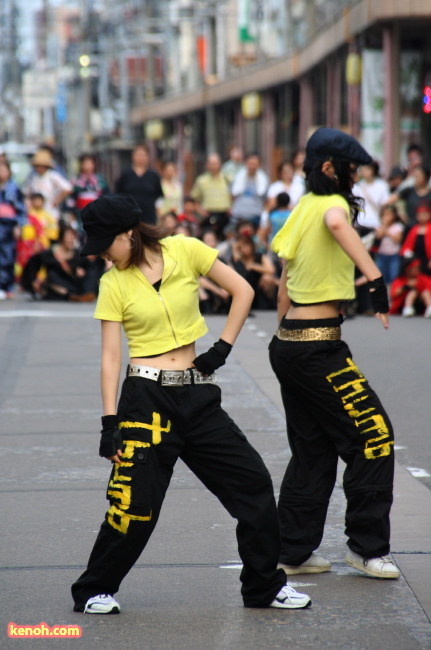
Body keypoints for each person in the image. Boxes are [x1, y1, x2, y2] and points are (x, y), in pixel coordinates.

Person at [71, 194, 311, 614]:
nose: (102, 254)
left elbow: (243, 290)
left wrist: (221, 349)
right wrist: (109, 423)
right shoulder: (112, 283)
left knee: (252, 481)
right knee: (134, 506)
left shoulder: (185, 250)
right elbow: (111, 357)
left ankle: (263, 587)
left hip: (197, 395)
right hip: (145, 403)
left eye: (106, 243)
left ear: (129, 233)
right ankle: (94, 589)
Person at [269, 127, 400, 580]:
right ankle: (366, 548)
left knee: (314, 450)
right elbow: (339, 224)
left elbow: (285, 279)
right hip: (317, 347)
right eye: (351, 169)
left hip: (291, 343)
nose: (355, 177)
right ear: (329, 168)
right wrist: (376, 281)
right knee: (375, 438)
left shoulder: (302, 206)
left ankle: (294, 549)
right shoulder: (330, 207)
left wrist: (277, 336)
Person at [21, 223, 97, 301]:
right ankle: (70, 296)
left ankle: (85, 293)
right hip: (56, 284)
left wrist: (79, 270)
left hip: (72, 282)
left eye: (73, 237)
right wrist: (33, 281)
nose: (71, 240)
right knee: (52, 276)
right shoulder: (51, 253)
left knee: (91, 273)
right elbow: (33, 263)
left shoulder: (76, 253)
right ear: (62, 237)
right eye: (68, 237)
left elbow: (89, 266)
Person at [115, 144, 163, 224]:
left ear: (147, 157)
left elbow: (159, 196)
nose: (140, 157)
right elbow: (118, 194)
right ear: (132, 156)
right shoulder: (125, 174)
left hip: (149, 217)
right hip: (129, 216)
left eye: (143, 155)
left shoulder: (154, 175)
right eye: (137, 154)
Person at [0, 160, 26, 299]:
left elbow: (21, 209)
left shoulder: (14, 188)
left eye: (3, 169)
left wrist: (19, 225)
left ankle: (7, 286)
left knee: (8, 257)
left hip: (9, 225)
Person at [22, 150, 72, 223]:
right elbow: (25, 192)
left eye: (41, 165)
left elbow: (68, 188)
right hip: (36, 213)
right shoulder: (33, 177)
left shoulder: (52, 176)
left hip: (50, 211)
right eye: (37, 165)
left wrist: (56, 200)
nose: (38, 168)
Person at [230, 233, 277, 310]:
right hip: (244, 284)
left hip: (258, 285)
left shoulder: (259, 256)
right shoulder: (237, 259)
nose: (244, 249)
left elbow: (271, 270)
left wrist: (253, 266)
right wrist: (235, 250)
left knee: (267, 278)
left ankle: (269, 301)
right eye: (241, 247)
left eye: (246, 245)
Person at [190, 153, 231, 238]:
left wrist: (231, 208)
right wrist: (200, 211)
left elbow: (233, 196)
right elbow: (194, 199)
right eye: (211, 164)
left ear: (220, 164)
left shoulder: (227, 179)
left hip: (224, 215)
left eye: (215, 163)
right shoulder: (201, 180)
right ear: (207, 165)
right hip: (207, 215)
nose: (213, 166)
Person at [231, 153, 269, 228]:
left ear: (259, 165)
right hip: (238, 218)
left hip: (256, 219)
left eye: (255, 164)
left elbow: (266, 200)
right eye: (250, 163)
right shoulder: (237, 178)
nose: (252, 166)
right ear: (245, 163)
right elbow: (231, 196)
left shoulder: (264, 180)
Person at [70, 153, 110, 220]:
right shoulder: (76, 181)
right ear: (81, 165)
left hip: (97, 213)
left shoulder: (100, 179)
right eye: (85, 163)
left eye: (90, 163)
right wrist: (71, 213)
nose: (88, 165)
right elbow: (71, 199)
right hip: (80, 213)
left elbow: (106, 195)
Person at [354, 161, 390, 235]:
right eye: (362, 169)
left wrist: (384, 225)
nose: (365, 171)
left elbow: (385, 206)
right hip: (359, 224)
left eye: (367, 169)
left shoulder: (382, 186)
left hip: (375, 224)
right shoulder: (357, 187)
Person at [374, 205, 404, 286]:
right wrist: (384, 225)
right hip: (382, 255)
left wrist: (386, 231)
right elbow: (378, 236)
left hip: (393, 255)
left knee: (393, 277)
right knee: (380, 276)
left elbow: (397, 239)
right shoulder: (380, 226)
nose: (386, 217)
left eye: (388, 214)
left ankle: (392, 296)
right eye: (384, 214)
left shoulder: (398, 227)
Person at [399, 201, 431, 276]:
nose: (421, 217)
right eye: (419, 215)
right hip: (416, 262)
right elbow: (407, 246)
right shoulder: (414, 229)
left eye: (424, 215)